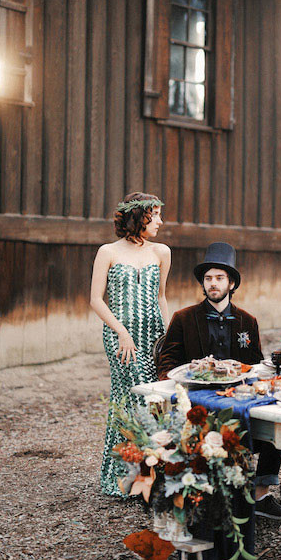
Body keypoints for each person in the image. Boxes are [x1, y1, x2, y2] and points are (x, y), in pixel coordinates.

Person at [157, 241, 281, 520]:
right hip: (197, 404)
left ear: (231, 283)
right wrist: (187, 370)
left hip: (239, 399)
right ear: (203, 284)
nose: (213, 284)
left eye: (219, 278)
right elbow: (165, 364)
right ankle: (211, 496)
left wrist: (245, 372)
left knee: (279, 420)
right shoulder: (183, 318)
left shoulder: (247, 321)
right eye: (208, 279)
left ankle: (261, 495)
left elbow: (255, 366)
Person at [90, 191, 171, 497]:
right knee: (137, 397)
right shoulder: (107, 252)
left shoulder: (162, 252)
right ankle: (136, 477)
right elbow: (96, 300)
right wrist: (122, 331)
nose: (161, 222)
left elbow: (161, 296)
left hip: (152, 335)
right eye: (155, 215)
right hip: (120, 336)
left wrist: (168, 337)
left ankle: (143, 475)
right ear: (139, 217)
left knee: (152, 399)